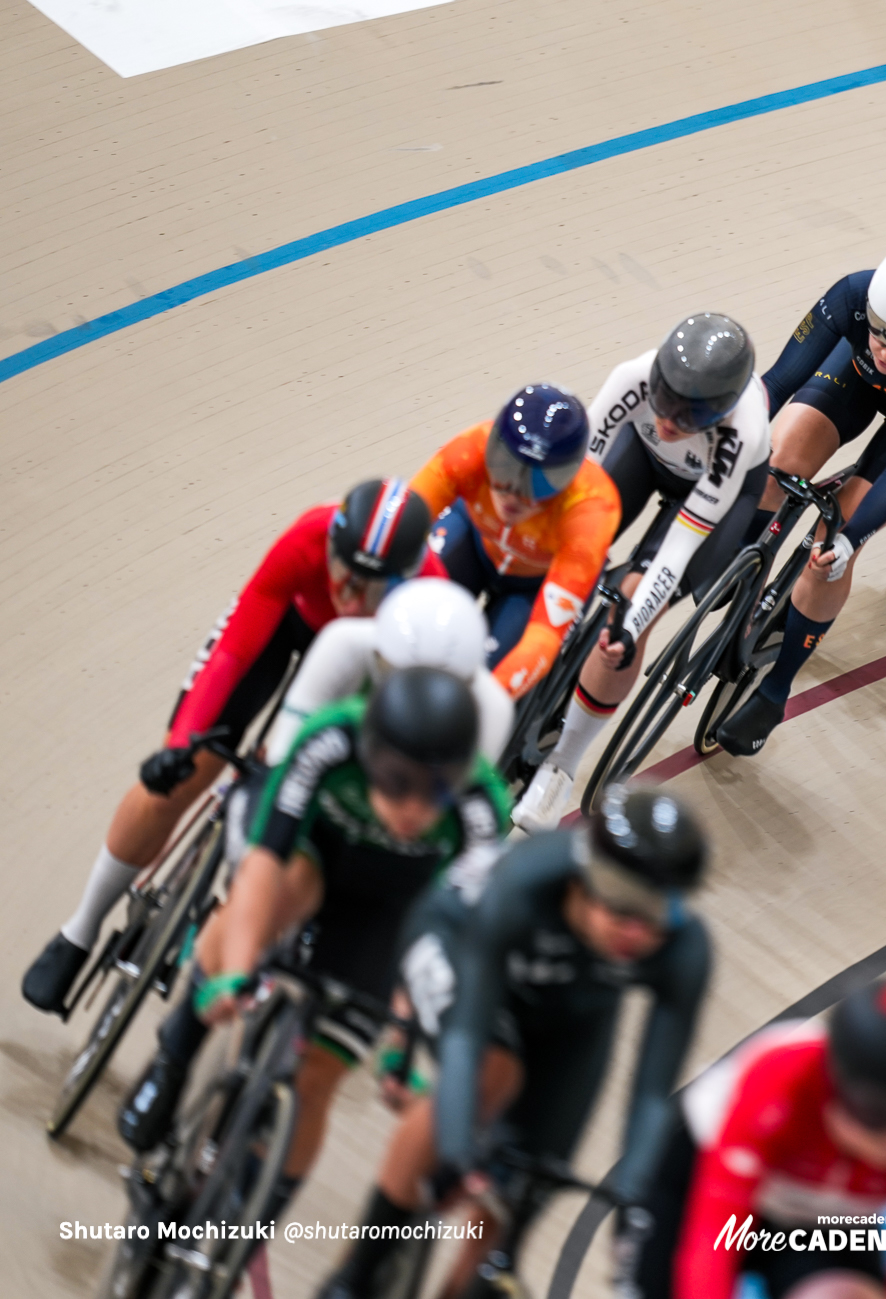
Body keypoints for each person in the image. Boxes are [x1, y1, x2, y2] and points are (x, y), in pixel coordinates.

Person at [114, 668, 508, 1237]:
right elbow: (265, 860)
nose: (415, 808)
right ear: (370, 755)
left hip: (390, 909)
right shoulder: (332, 740)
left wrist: (400, 1049)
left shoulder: (479, 811)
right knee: (281, 892)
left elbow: (437, 943)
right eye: (396, 782)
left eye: (436, 790)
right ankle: (179, 1046)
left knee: (316, 1078)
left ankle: (241, 1231)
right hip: (313, 856)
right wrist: (234, 976)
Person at [20, 478, 439, 1014]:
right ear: (331, 546)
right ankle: (79, 928)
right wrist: (182, 743)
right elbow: (235, 651)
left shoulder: (430, 596)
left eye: (371, 589)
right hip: (287, 624)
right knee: (183, 773)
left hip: (364, 662)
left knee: (310, 803)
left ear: (405, 582)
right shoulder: (308, 537)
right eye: (343, 573)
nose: (350, 596)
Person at [316, 785, 712, 1298]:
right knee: (491, 1072)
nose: (635, 931)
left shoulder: (684, 949)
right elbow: (467, 1035)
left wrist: (634, 1203)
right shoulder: (525, 884)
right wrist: (457, 1147)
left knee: (529, 1188)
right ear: (585, 877)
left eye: (656, 910)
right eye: (622, 904)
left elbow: (653, 1094)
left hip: (570, 1014)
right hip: (459, 944)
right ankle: (357, 1274)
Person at [712, 241, 886, 757]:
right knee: (776, 462)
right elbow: (776, 383)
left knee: (833, 543)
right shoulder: (853, 295)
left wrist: (849, 541)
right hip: (855, 379)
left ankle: (774, 692)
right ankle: (742, 565)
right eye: (880, 331)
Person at [511, 315, 771, 831]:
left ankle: (561, 769)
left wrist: (629, 629)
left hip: (713, 500)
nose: (670, 420)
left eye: (689, 415)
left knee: (632, 609)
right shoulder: (633, 376)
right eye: (665, 401)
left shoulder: (742, 432)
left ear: (721, 410)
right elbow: (578, 479)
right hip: (643, 455)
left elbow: (677, 550)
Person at [634, 975, 886, 1299]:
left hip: (823, 1218)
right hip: (703, 1176)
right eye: (878, 1118)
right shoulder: (778, 1084)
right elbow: (713, 1242)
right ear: (832, 1086)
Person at [412, 383, 621, 697]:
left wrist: (483, 703)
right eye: (505, 468)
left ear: (569, 479)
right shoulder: (469, 450)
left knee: (482, 685)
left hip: (535, 587)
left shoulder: (590, 509)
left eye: (540, 482)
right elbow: (397, 530)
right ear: (492, 448)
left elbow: (544, 637)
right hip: (474, 541)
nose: (514, 494)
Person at [263, 576, 512, 766]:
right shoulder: (343, 642)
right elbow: (284, 754)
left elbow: (460, 802)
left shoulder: (492, 708)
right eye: (396, 674)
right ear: (378, 649)